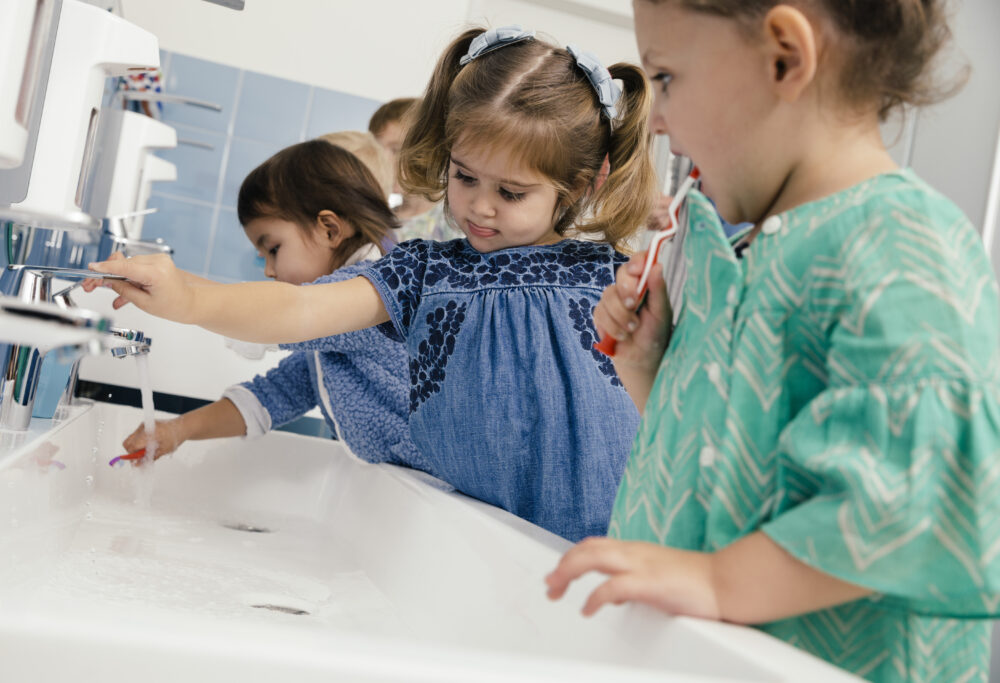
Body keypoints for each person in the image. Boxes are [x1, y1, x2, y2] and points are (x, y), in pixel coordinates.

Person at [545, 2, 1000, 681]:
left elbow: (911, 500)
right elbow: (727, 465)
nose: (658, 118)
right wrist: (650, 370)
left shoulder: (902, 248)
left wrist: (722, 581)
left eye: (666, 77)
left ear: (785, 57)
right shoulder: (759, 251)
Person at [90, 26, 657, 542]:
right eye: (464, 176)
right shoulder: (423, 273)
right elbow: (300, 310)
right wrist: (188, 296)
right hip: (488, 544)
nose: (480, 206)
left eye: (511, 193)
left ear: (582, 185)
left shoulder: (613, 277)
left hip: (621, 542)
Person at [115, 139, 422, 470]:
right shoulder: (338, 337)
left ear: (330, 230)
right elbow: (277, 394)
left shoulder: (372, 295)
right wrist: (177, 430)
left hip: (431, 492)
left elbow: (285, 312)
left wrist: (182, 297)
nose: (269, 270)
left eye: (273, 249)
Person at [369, 96, 462, 241]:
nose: (384, 161)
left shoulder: (455, 219)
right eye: (377, 151)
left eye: (396, 150)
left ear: (430, 150)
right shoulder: (379, 222)